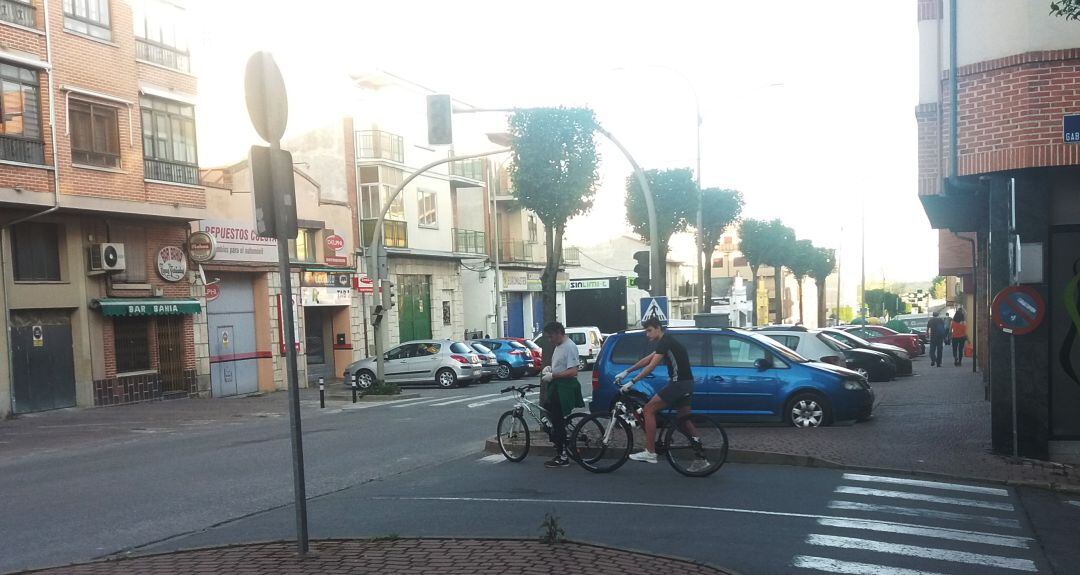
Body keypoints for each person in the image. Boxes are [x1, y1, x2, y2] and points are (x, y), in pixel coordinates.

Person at [614, 316, 694, 464]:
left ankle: (650, 452)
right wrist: (627, 371)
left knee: (648, 410)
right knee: (684, 420)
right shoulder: (667, 341)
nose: (647, 334)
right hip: (687, 383)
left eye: (649, 330)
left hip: (678, 384)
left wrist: (632, 382)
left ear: (658, 328)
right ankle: (700, 452)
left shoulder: (666, 342)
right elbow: (646, 360)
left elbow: (651, 366)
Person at [539, 322, 584, 468]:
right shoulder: (559, 346)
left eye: (551, 336)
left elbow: (573, 371)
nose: (549, 340)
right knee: (548, 416)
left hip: (564, 388)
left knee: (557, 421)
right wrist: (550, 369)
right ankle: (561, 440)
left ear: (559, 332)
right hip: (557, 386)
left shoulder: (569, 346)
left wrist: (553, 375)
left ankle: (562, 455)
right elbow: (561, 365)